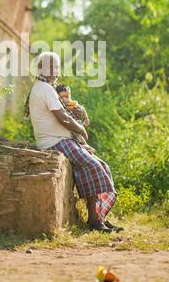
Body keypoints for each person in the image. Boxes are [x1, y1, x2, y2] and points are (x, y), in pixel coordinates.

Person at [26, 51, 123, 232]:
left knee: (102, 165)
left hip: (61, 140)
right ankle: (94, 222)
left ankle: (100, 217)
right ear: (40, 69)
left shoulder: (46, 88)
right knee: (93, 166)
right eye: (49, 66)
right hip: (54, 142)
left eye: (56, 66)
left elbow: (65, 114)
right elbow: (63, 118)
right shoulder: (45, 88)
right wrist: (81, 130)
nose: (54, 70)